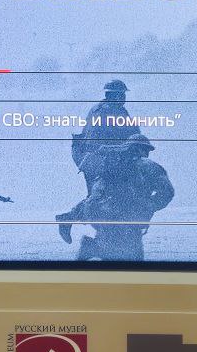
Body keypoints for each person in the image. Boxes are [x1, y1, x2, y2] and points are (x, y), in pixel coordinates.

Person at [57, 79, 139, 243]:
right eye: (121, 95)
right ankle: (73, 221)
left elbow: (130, 133)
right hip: (98, 162)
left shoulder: (108, 110)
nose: (124, 98)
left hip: (99, 161)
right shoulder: (107, 112)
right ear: (114, 95)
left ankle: (73, 220)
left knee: (101, 198)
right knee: (100, 199)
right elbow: (107, 141)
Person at [75, 133, 174, 261]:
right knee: (132, 259)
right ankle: (91, 247)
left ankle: (92, 247)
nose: (147, 153)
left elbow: (96, 192)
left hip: (105, 217)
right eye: (147, 150)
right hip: (130, 220)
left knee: (112, 253)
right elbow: (167, 192)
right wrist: (149, 205)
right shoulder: (148, 166)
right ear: (141, 149)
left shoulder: (111, 164)